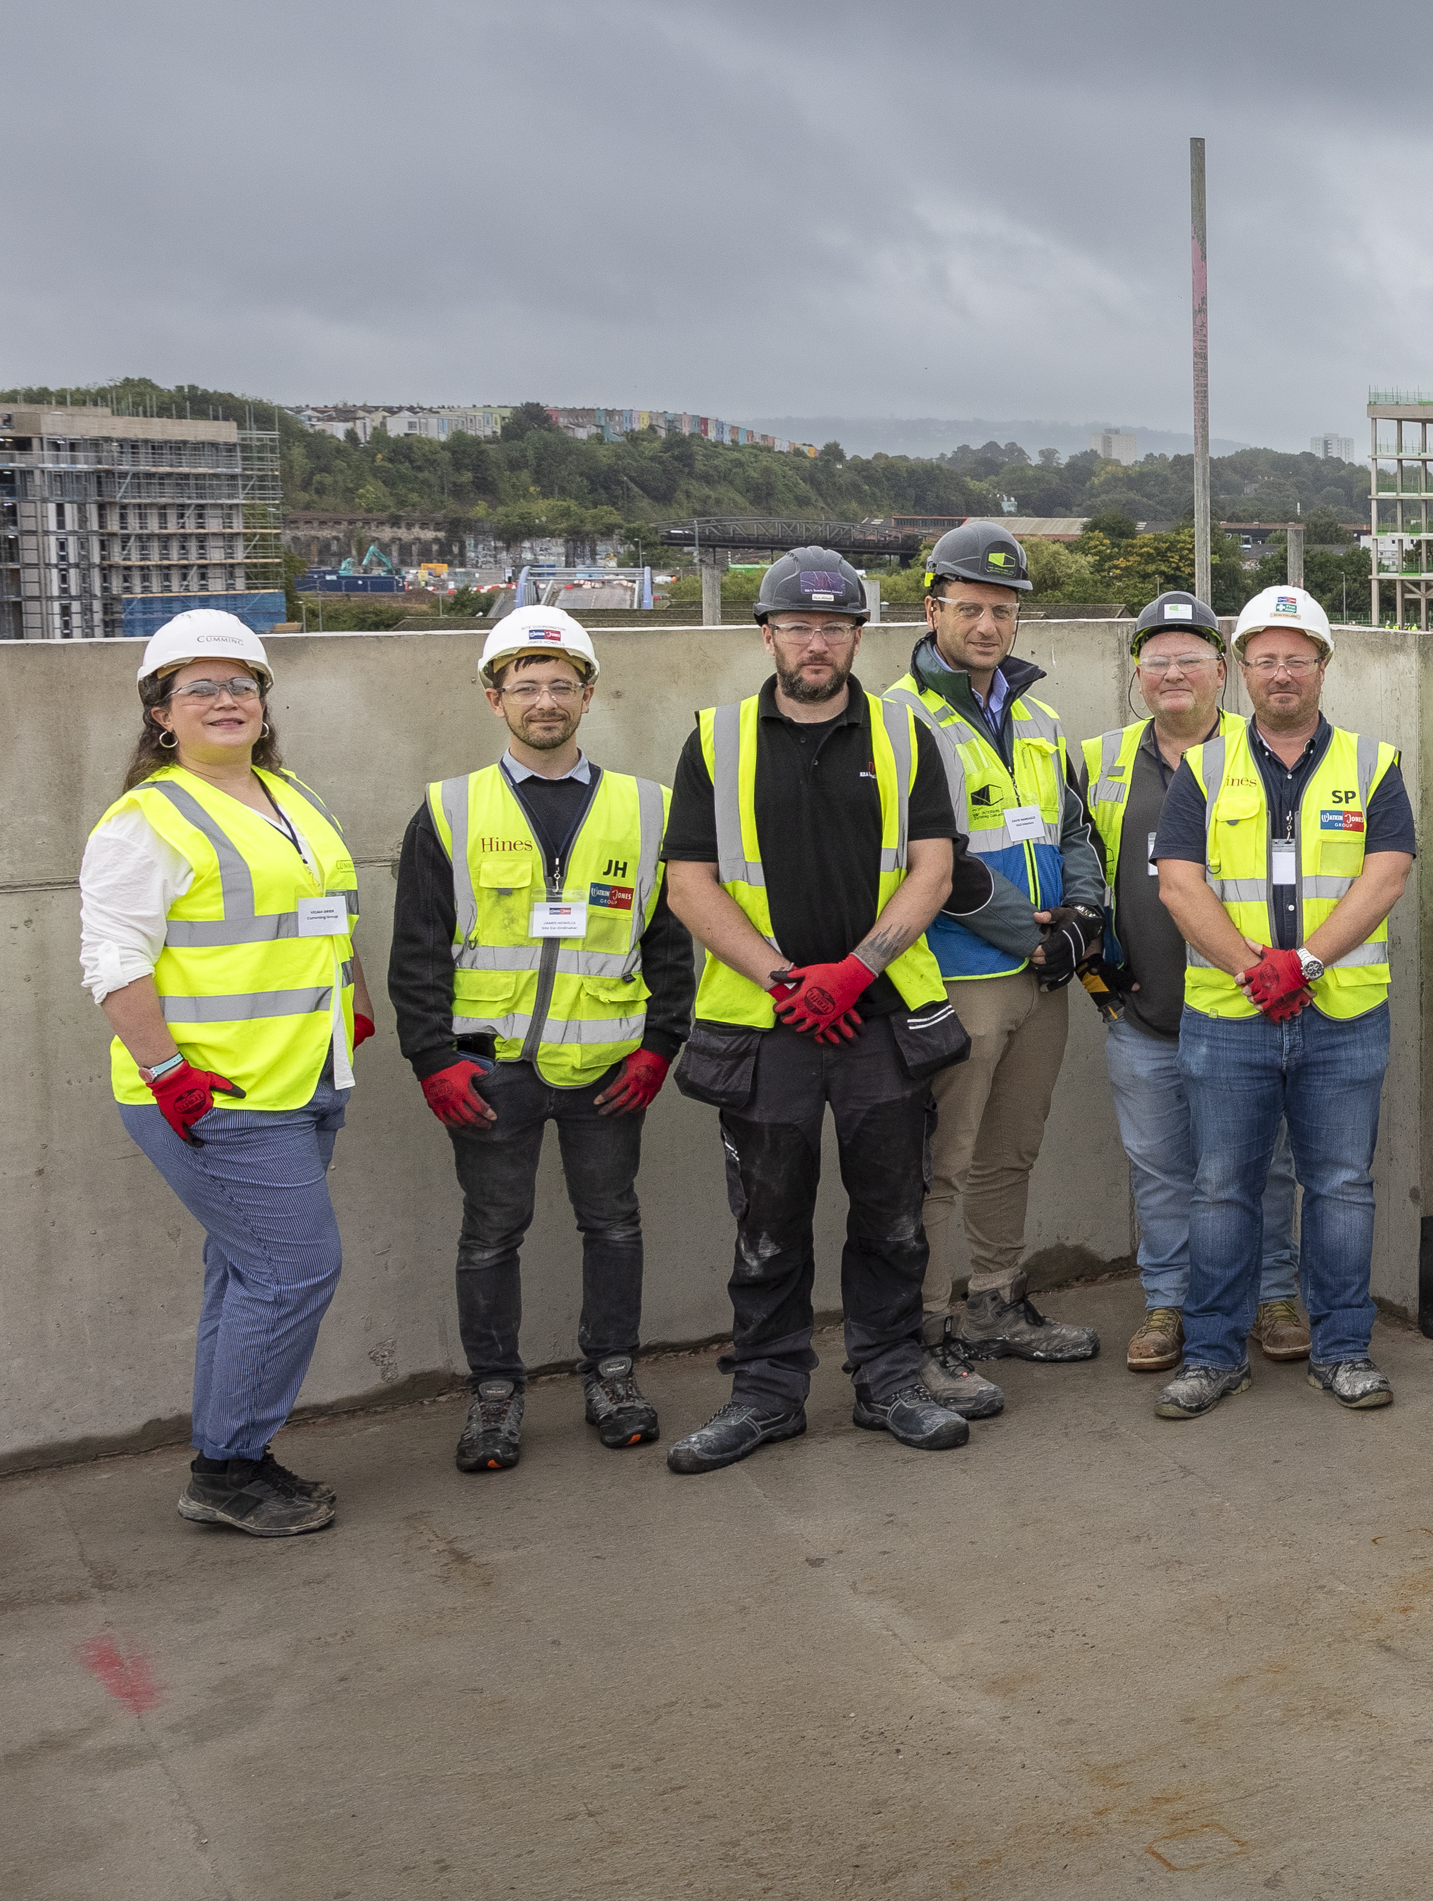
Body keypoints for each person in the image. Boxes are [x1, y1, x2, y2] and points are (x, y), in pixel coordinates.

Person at [658, 547, 983, 1473]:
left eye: (834, 627)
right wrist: (787, 980)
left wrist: (856, 970)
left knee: (893, 1218)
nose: (816, 643)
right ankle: (765, 1393)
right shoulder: (714, 741)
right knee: (767, 1220)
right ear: (767, 635)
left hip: (879, 1022)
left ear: (857, 638)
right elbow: (689, 884)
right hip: (768, 1031)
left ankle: (889, 1382)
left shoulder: (902, 735)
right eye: (797, 626)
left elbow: (935, 868)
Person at [84, 611, 367, 1536]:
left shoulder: (291, 795)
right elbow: (112, 961)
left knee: (245, 1274)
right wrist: (166, 1070)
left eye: (240, 683)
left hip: (302, 1078)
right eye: (198, 687)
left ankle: (228, 1456)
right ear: (160, 713)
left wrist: (353, 1001)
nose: (225, 699)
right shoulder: (146, 819)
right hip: (216, 1094)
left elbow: (327, 913)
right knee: (293, 1271)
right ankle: (228, 1469)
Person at [388, 607, 691, 1472]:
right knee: (490, 1233)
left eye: (562, 685)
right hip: (488, 1074)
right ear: (495, 700)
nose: (545, 701)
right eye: (526, 687)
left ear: (589, 696)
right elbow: (416, 950)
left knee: (614, 1224)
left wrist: (659, 1045)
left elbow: (671, 944)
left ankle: (614, 1375)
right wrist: (433, 1058)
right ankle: (495, 1394)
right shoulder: (447, 810)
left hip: (608, 1068)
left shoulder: (645, 807)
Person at [1158, 583, 1418, 1418]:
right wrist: (1249, 967)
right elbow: (1180, 884)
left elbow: (1387, 875)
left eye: (1295, 658)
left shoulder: (1372, 766)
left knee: (1341, 1186)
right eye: (1264, 658)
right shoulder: (1201, 768)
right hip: (1230, 1020)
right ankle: (1211, 1355)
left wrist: (1301, 962)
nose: (1280, 673)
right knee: (1221, 1187)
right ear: (1241, 670)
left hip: (1341, 1016)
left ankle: (1342, 1351)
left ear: (1322, 666)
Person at [889, 518, 1103, 1373]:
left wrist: (1083, 920)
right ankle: (928, 1329)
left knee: (1011, 1152)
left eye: (1003, 611)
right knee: (946, 1162)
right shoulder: (897, 721)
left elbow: (1074, 829)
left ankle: (995, 1302)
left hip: (1042, 980)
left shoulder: (1042, 719)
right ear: (932, 608)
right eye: (970, 607)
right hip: (958, 977)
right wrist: (1031, 932)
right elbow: (919, 861)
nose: (987, 626)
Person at [1077, 589, 1246, 1377]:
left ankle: (1272, 1295)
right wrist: (1102, 992)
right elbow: (1077, 878)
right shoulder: (1096, 760)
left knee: (1258, 1165)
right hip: (1141, 1016)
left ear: (1222, 671)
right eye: (1157, 661)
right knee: (1159, 1168)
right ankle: (1169, 1302)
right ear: (1138, 674)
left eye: (1190, 659)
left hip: (1247, 1012)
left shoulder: (1263, 750)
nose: (1173, 673)